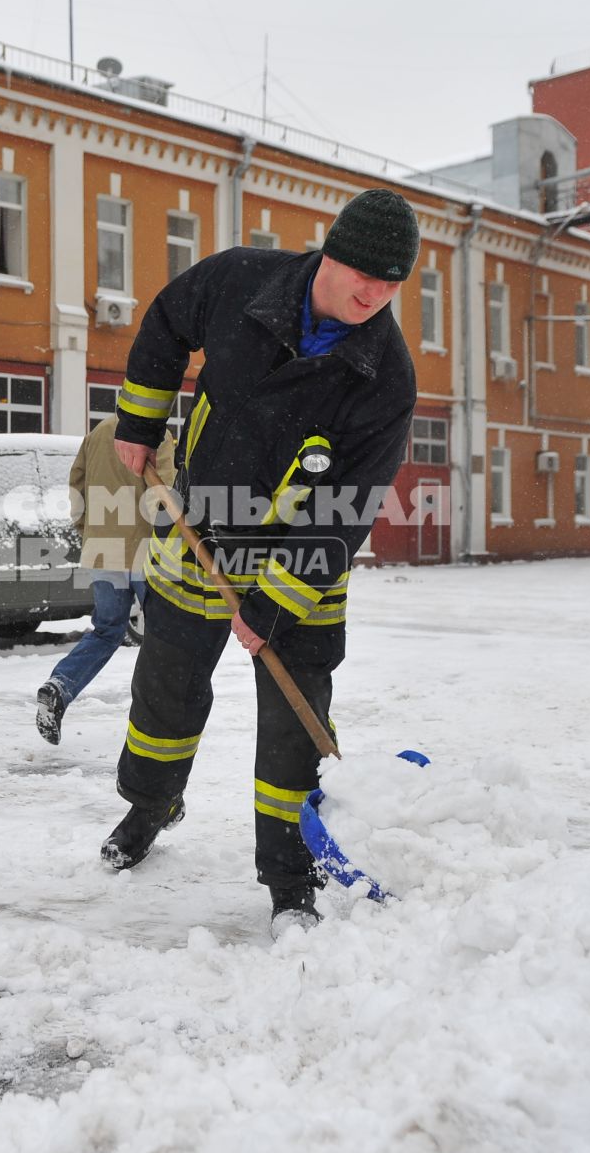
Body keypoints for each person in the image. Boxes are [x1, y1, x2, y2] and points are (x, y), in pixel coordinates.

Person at [104, 188, 421, 936]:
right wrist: (139, 420)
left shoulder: (386, 374)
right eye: (363, 275)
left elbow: (349, 507)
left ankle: (289, 879)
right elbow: (166, 322)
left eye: (391, 283)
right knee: (165, 694)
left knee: (292, 724)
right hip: (204, 527)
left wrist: (273, 603)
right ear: (330, 253)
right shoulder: (240, 281)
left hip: (305, 560)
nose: (373, 294)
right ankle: (150, 806)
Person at [34, 416, 176, 744]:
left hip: (102, 549)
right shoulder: (158, 435)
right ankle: (155, 716)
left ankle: (60, 686)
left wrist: (88, 529)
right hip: (145, 551)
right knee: (162, 635)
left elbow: (76, 482)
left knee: (106, 631)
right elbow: (162, 494)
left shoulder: (96, 433)